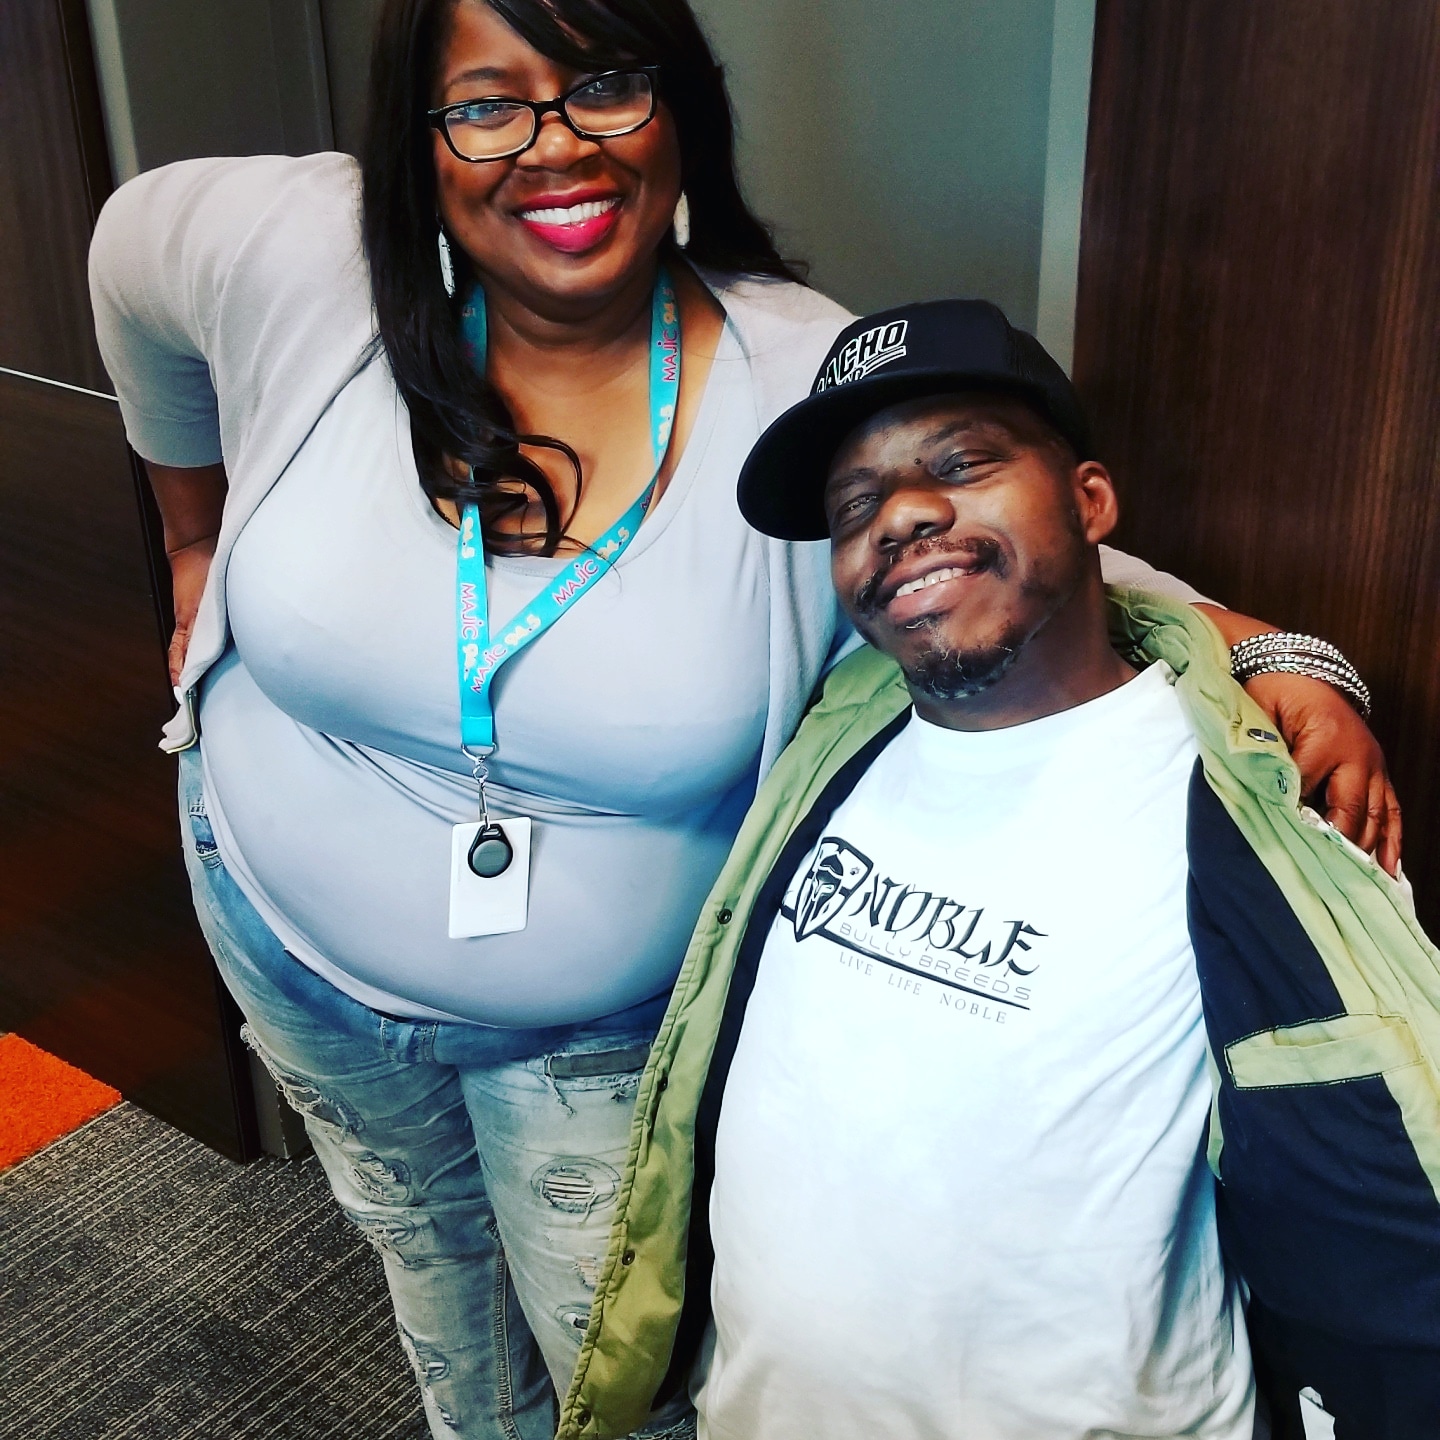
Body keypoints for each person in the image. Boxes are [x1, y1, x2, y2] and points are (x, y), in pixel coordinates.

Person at [87, 0, 1400, 1432]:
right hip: (288, 945)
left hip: (593, 1036)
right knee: (423, 1256)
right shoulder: (293, 252)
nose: (553, 145)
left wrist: (1280, 652)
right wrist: (193, 537)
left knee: (619, 1365)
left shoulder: (785, 370)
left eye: (602, 83)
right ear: (422, 140)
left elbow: (1000, 544)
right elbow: (126, 263)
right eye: (487, 103)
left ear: (680, 110)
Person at [561, 302, 1440, 1440]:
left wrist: (1288, 658)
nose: (901, 515)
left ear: (1091, 501)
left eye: (963, 464)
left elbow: (1379, 1207)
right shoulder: (840, 729)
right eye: (854, 507)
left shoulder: (1256, 817)